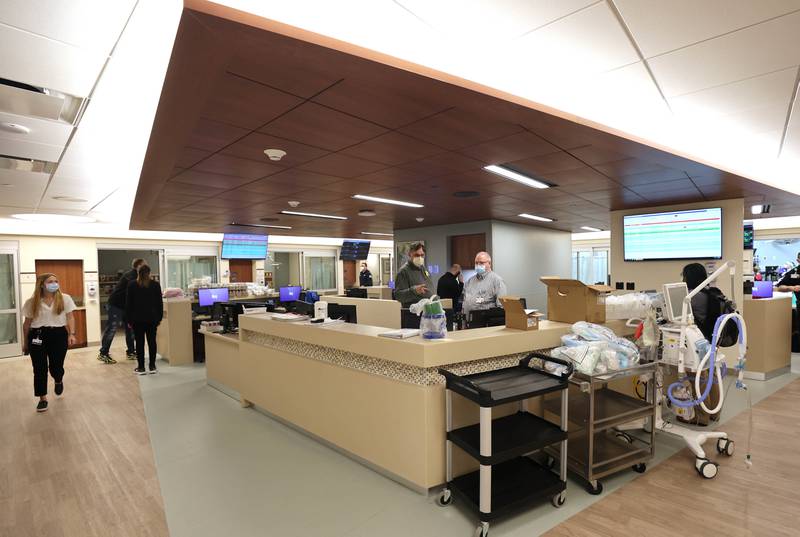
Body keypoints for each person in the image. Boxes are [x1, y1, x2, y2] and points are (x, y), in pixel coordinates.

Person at [21, 273, 78, 413]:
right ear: (42, 284)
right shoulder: (32, 301)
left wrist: (71, 334)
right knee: (39, 368)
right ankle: (42, 399)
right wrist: (26, 342)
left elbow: (70, 317)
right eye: (50, 281)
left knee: (56, 366)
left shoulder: (65, 298)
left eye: (56, 281)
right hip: (37, 336)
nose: (54, 283)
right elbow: (26, 324)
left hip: (58, 335)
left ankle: (58, 379)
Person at [99, 258, 145, 364]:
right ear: (138, 266)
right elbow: (135, 292)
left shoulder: (136, 276)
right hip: (116, 305)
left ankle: (131, 352)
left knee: (130, 329)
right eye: (144, 265)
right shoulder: (131, 276)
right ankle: (103, 354)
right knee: (112, 329)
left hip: (126, 307)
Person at [125, 264, 163, 375]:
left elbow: (128, 305)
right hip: (152, 319)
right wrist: (159, 318)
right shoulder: (155, 285)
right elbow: (159, 304)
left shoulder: (132, 285)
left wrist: (129, 320)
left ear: (138, 273)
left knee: (139, 343)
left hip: (137, 320)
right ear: (149, 273)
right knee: (152, 342)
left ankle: (141, 368)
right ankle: (152, 366)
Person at [463, 251, 507, 318]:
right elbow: (465, 301)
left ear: (489, 263)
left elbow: (501, 308)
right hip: (468, 321)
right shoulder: (470, 281)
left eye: (481, 263)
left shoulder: (497, 281)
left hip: (485, 323)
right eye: (476, 263)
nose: (478, 265)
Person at [394, 242, 433, 308]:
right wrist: (414, 291)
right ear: (410, 254)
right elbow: (399, 296)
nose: (420, 258)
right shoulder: (403, 272)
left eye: (422, 255)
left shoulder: (423, 269)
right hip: (412, 313)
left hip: (426, 311)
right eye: (417, 255)